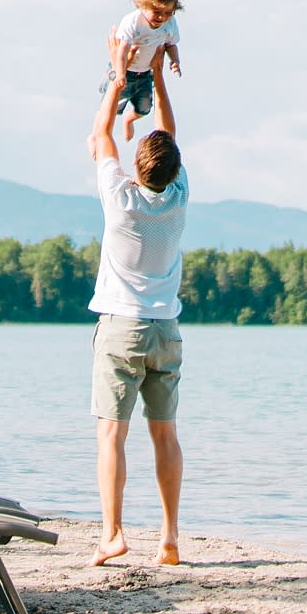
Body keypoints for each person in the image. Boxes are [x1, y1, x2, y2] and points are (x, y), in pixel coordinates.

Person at [86, 40, 188, 566]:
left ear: (137, 168)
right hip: (166, 332)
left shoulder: (121, 199)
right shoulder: (179, 199)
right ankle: (169, 538)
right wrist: (159, 76)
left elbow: (101, 134)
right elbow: (168, 132)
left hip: (122, 329)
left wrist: (118, 77)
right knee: (164, 434)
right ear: (173, 170)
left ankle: (113, 534)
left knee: (112, 434)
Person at [101, 0, 183, 142]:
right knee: (110, 106)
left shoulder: (170, 24)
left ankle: (129, 119)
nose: (162, 17)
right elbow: (122, 50)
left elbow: (171, 45)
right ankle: (97, 136)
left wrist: (175, 61)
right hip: (126, 70)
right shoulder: (133, 22)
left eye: (168, 12)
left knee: (144, 108)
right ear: (143, 5)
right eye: (157, 11)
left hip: (146, 73)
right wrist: (120, 73)